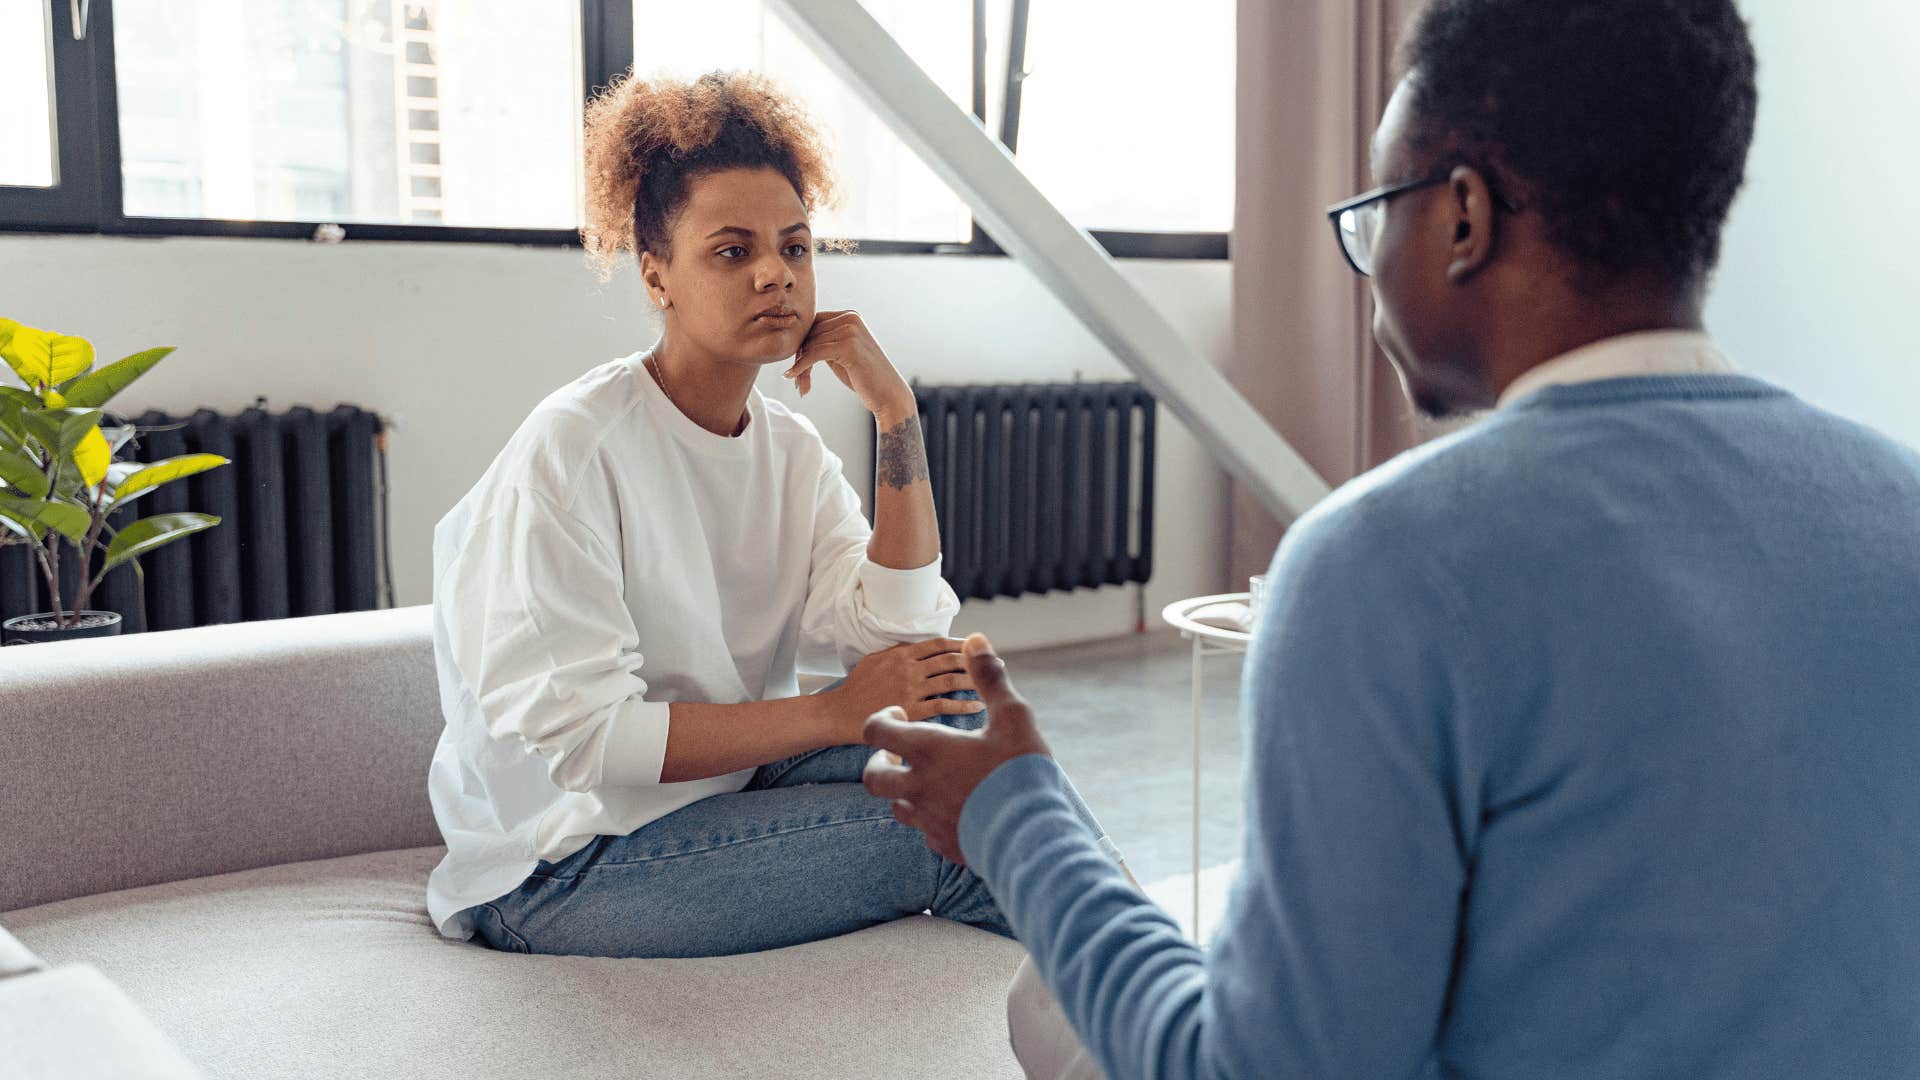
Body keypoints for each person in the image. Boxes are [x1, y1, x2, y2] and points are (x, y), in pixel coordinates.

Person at [863, 1, 1920, 1076]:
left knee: (1052, 1004)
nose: (1366, 261)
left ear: (1464, 217)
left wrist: (1019, 817)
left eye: (1375, 213)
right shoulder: (1900, 498)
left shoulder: (1387, 563)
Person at [423, 70, 1114, 958]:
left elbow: (893, 634)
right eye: (731, 251)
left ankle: (1182, 1004)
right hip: (563, 862)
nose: (774, 276)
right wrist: (833, 714)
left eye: (795, 248)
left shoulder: (786, 449)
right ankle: (1173, 1022)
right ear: (656, 276)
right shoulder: (575, 449)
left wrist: (896, 416)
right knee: (945, 832)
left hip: (726, 787)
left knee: (982, 754)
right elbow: (593, 742)